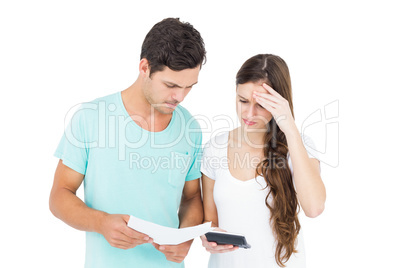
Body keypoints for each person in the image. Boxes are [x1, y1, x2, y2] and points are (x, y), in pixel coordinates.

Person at [49, 18, 206, 268]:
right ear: (145, 67)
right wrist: (100, 223)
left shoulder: (190, 129)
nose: (180, 97)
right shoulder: (91, 118)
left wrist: (185, 238)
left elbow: (191, 198)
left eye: (189, 87)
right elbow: (59, 196)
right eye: (171, 85)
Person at [200, 54, 326, 267]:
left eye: (261, 105)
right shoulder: (215, 147)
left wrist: (290, 128)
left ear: (279, 103)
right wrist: (207, 236)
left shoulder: (299, 146)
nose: (249, 113)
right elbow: (210, 221)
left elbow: (314, 208)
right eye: (242, 101)